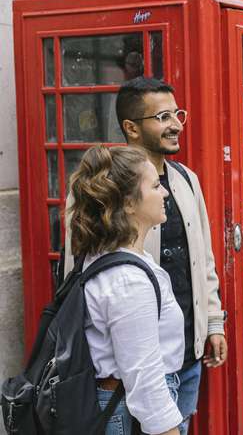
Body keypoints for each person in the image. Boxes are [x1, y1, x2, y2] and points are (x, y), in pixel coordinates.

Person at [65, 77, 227, 434]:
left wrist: (213, 322)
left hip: (186, 351)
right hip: (131, 368)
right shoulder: (102, 192)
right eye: (164, 116)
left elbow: (204, 259)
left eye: (178, 113)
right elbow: (76, 275)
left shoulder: (186, 179)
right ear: (131, 128)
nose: (177, 124)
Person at [68, 145, 183, 434]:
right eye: (156, 186)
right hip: (129, 414)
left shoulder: (109, 255)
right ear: (129, 204)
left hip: (120, 404)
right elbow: (145, 383)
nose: (165, 193)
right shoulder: (128, 281)